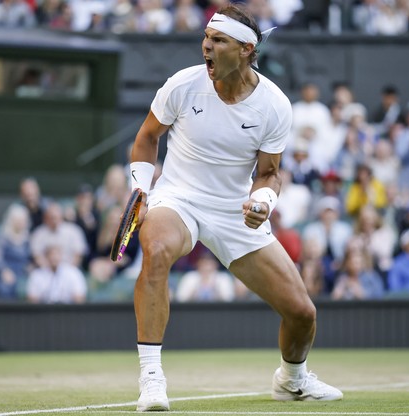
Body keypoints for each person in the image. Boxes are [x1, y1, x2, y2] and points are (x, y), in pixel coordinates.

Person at [127, 4, 342, 412]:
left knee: (301, 313)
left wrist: (263, 201)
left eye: (218, 41)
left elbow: (269, 173)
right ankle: (152, 379)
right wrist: (141, 188)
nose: (206, 47)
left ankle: (291, 380)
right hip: (178, 198)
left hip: (234, 210)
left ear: (245, 49)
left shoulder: (275, 105)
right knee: (154, 252)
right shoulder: (182, 85)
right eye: (206, 39)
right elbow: (146, 138)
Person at [0, 204, 33, 299]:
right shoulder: (3, 237)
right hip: (6, 270)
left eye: (23, 220)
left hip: (23, 272)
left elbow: (31, 258)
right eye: (18, 220)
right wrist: (3, 271)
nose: (21, 223)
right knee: (4, 288)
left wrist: (30, 267)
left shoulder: (28, 238)